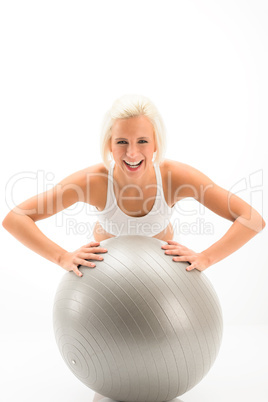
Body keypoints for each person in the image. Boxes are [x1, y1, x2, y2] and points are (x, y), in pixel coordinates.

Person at [2, 94, 266, 278]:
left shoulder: (175, 178)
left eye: (142, 141)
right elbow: (16, 218)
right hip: (106, 280)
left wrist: (206, 258)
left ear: (155, 144)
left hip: (161, 280)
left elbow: (251, 218)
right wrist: (62, 257)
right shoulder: (94, 182)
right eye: (121, 142)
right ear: (109, 144)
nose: (131, 153)